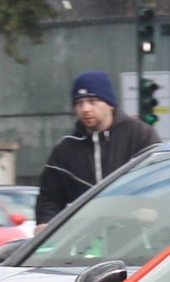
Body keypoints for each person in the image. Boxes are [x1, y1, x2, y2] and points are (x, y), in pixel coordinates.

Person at [34, 70, 156, 222]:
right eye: (79, 103)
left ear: (110, 104)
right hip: (85, 237)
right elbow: (50, 197)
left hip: (136, 233)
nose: (85, 109)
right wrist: (45, 222)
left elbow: (161, 181)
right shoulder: (65, 149)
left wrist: (152, 210)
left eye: (92, 101)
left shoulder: (140, 135)